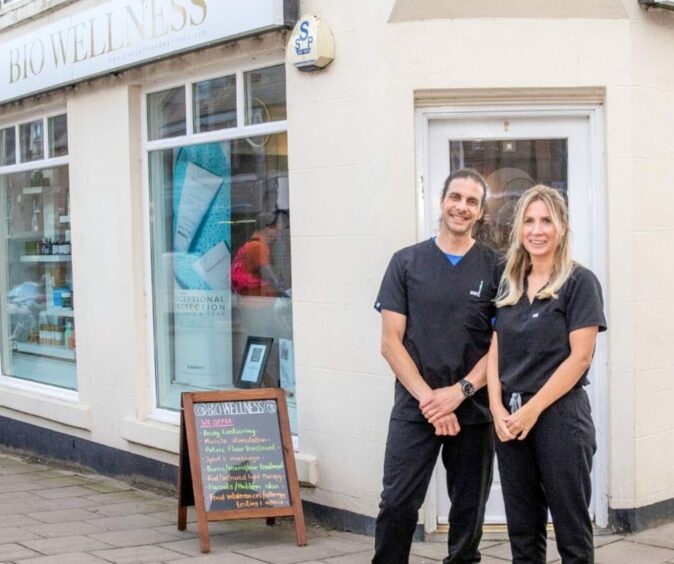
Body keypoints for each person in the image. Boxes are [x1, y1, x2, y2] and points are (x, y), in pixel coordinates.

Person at [373, 169, 502, 564]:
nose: (461, 207)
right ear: (442, 201)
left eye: (471, 202)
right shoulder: (406, 262)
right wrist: (432, 400)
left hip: (473, 410)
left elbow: (501, 345)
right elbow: (390, 343)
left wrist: (459, 392)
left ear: (480, 212)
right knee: (396, 503)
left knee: (468, 510)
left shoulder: (495, 267)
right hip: (417, 407)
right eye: (455, 197)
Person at [486, 185, 607, 564]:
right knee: (523, 532)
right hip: (510, 418)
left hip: (559, 417)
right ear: (519, 229)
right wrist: (497, 409)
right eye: (529, 221)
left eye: (546, 222)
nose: (537, 231)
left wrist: (532, 410)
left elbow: (580, 358)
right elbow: (495, 349)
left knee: (571, 532)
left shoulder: (579, 282)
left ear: (562, 229)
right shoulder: (509, 283)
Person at [231, 212, 285, 297]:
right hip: (258, 304)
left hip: (252, 300)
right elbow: (267, 275)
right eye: (276, 230)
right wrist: (281, 293)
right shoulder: (258, 247)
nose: (277, 234)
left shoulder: (250, 245)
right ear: (267, 229)